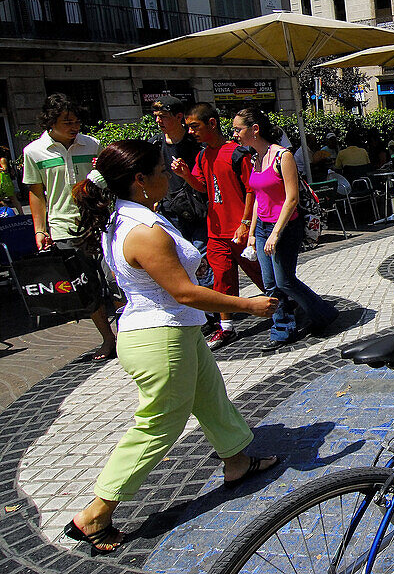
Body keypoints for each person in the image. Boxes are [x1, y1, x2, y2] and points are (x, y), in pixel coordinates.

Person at [64, 140, 279, 555]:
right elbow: (185, 293)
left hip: (169, 332)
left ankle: (236, 459)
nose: (169, 176)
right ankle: (96, 512)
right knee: (158, 425)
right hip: (160, 338)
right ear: (140, 181)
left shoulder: (127, 217)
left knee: (209, 395)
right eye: (162, 171)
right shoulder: (143, 231)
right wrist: (248, 306)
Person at [236, 107, 339, 350]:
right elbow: (258, 197)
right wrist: (252, 233)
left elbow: (291, 198)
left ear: (255, 129)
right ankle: (282, 328)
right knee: (270, 283)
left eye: (238, 129)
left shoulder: (283, 157)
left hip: (284, 226)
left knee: (285, 281)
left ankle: (323, 313)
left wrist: (275, 232)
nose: (235, 134)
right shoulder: (254, 159)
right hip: (262, 227)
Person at [21, 94, 115, 360]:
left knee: (114, 278)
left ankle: (128, 332)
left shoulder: (92, 144)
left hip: (99, 221)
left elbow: (105, 179)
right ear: (51, 122)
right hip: (63, 227)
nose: (74, 127)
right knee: (85, 286)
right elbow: (37, 194)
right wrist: (40, 230)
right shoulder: (34, 152)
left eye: (77, 121)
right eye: (67, 121)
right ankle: (108, 338)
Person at [171, 103, 264, 350]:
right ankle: (227, 329)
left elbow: (251, 189)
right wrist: (186, 176)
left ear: (212, 123)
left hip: (239, 230)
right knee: (221, 279)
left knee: (261, 275)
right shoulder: (202, 155)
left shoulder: (237, 153)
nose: (190, 132)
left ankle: (284, 309)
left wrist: (245, 223)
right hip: (216, 231)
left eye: (194, 126)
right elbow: (203, 188)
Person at [150, 96, 205, 248]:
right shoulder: (155, 144)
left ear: (179, 116)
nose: (158, 121)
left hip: (197, 210)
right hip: (169, 211)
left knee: (200, 258)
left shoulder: (197, 144)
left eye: (163, 117)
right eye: (156, 117)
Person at [0, 144, 22, 214]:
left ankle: (21, 213)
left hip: (5, 182)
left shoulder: (2, 160)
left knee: (13, 198)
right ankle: (6, 212)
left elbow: (5, 169)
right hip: (3, 181)